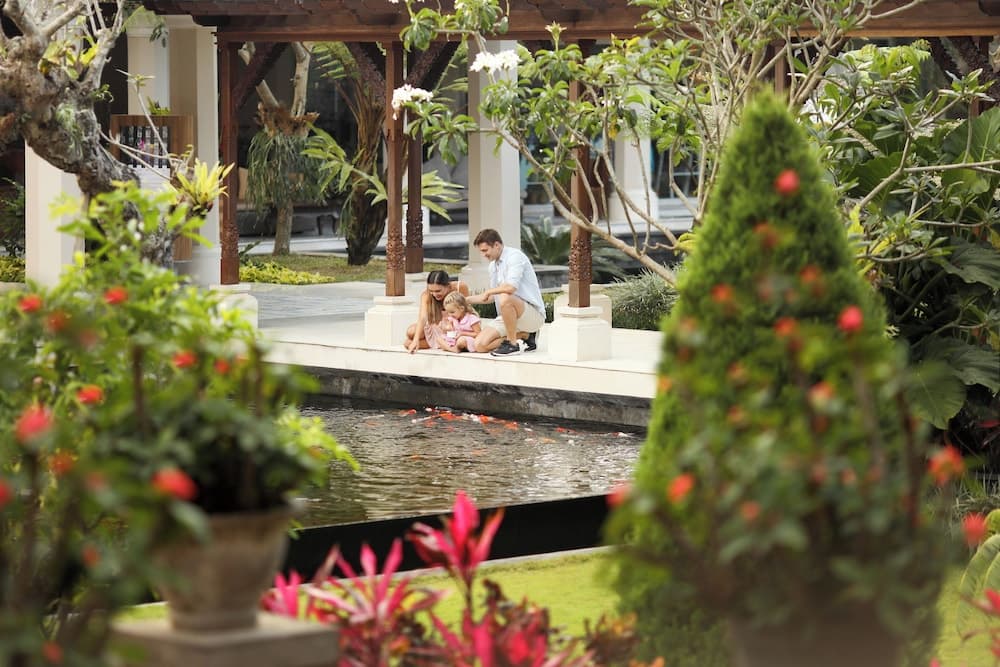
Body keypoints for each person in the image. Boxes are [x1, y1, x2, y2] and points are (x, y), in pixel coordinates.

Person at [466, 228, 545, 356]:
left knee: (505, 296)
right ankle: (525, 335)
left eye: (485, 250)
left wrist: (490, 291)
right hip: (508, 317)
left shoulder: (515, 257)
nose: (483, 255)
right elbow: (491, 297)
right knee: (479, 345)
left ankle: (512, 344)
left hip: (532, 316)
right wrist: (465, 300)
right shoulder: (493, 266)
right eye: (481, 251)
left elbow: (510, 288)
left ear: (496, 245)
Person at [404, 270, 469, 353]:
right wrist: (415, 340)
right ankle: (439, 343)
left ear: (448, 286)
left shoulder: (460, 287)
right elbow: (422, 318)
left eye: (438, 291)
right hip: (437, 326)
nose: (434, 294)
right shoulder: (426, 295)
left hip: (454, 326)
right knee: (410, 335)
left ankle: (445, 343)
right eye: (431, 291)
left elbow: (467, 311)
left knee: (409, 342)